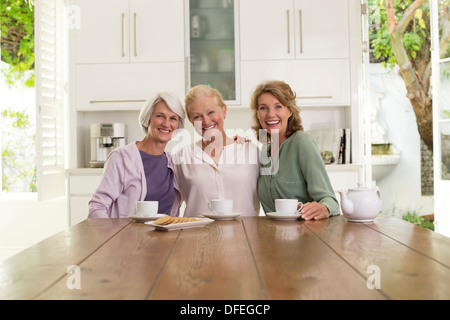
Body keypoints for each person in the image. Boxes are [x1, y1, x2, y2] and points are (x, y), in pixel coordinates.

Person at [250, 80, 340, 220]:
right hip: (271, 236)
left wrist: (324, 208)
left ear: (289, 111)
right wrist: (238, 146)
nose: (270, 114)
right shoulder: (265, 151)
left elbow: (330, 200)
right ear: (257, 113)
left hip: (306, 235)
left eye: (278, 106)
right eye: (263, 108)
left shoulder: (302, 143)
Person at [88, 92, 185, 218]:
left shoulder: (173, 163)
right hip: (128, 236)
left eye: (173, 118)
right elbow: (97, 207)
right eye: (160, 116)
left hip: (166, 237)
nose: (166, 124)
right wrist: (113, 236)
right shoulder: (122, 158)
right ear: (148, 118)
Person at [171, 85, 260, 217]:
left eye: (211, 112)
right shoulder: (182, 156)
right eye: (197, 117)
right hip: (196, 235)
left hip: (245, 234)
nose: (206, 121)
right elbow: (170, 203)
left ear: (224, 111)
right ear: (191, 121)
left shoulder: (251, 152)